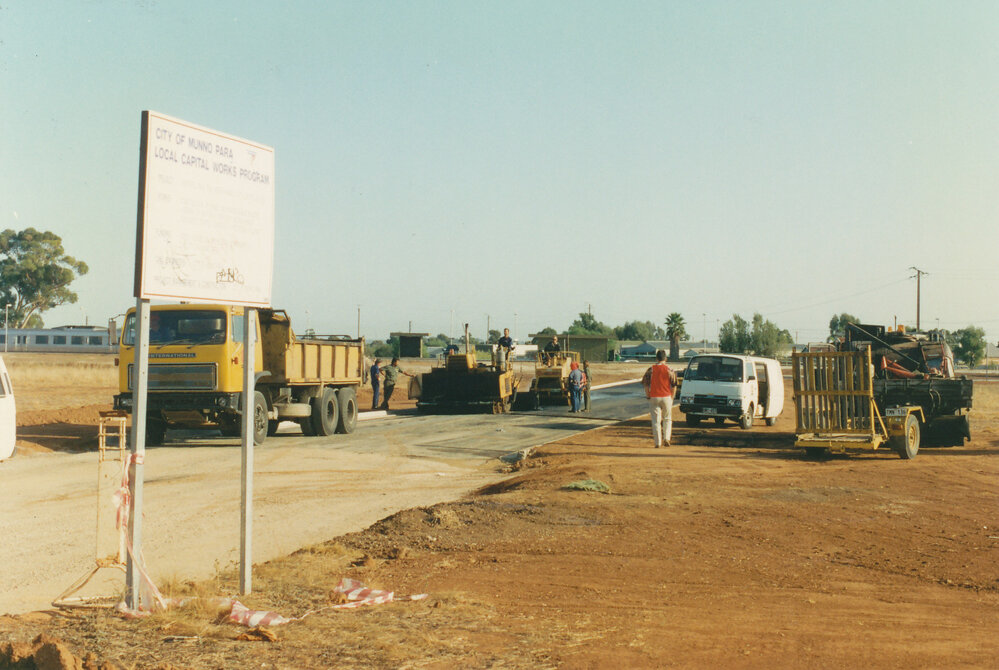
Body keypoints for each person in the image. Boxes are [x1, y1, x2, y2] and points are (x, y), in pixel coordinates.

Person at [642, 349, 676, 448]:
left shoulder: (651, 369)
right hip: (666, 396)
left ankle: (658, 442)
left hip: (654, 396)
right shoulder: (670, 370)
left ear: (656, 358)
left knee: (656, 421)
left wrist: (648, 395)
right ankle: (667, 438)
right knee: (667, 418)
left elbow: (646, 384)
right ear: (666, 358)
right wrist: (672, 398)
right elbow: (674, 385)